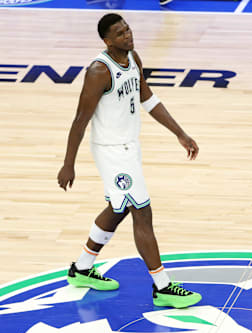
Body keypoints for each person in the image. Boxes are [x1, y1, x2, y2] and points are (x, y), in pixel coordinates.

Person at [57, 13, 201, 309]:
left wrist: (180, 133)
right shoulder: (99, 71)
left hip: (129, 147)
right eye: (120, 34)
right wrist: (68, 163)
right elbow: (80, 120)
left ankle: (82, 268)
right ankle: (163, 287)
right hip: (111, 152)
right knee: (142, 211)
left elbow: (147, 98)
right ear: (107, 41)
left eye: (128, 29)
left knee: (117, 209)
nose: (128, 35)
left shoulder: (133, 57)